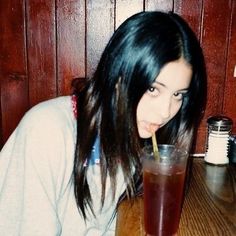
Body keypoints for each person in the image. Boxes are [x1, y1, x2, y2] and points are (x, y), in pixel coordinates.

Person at [0, 11, 206, 235]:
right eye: (153, 89)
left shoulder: (135, 135)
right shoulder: (46, 131)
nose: (166, 112)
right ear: (119, 76)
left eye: (178, 95)